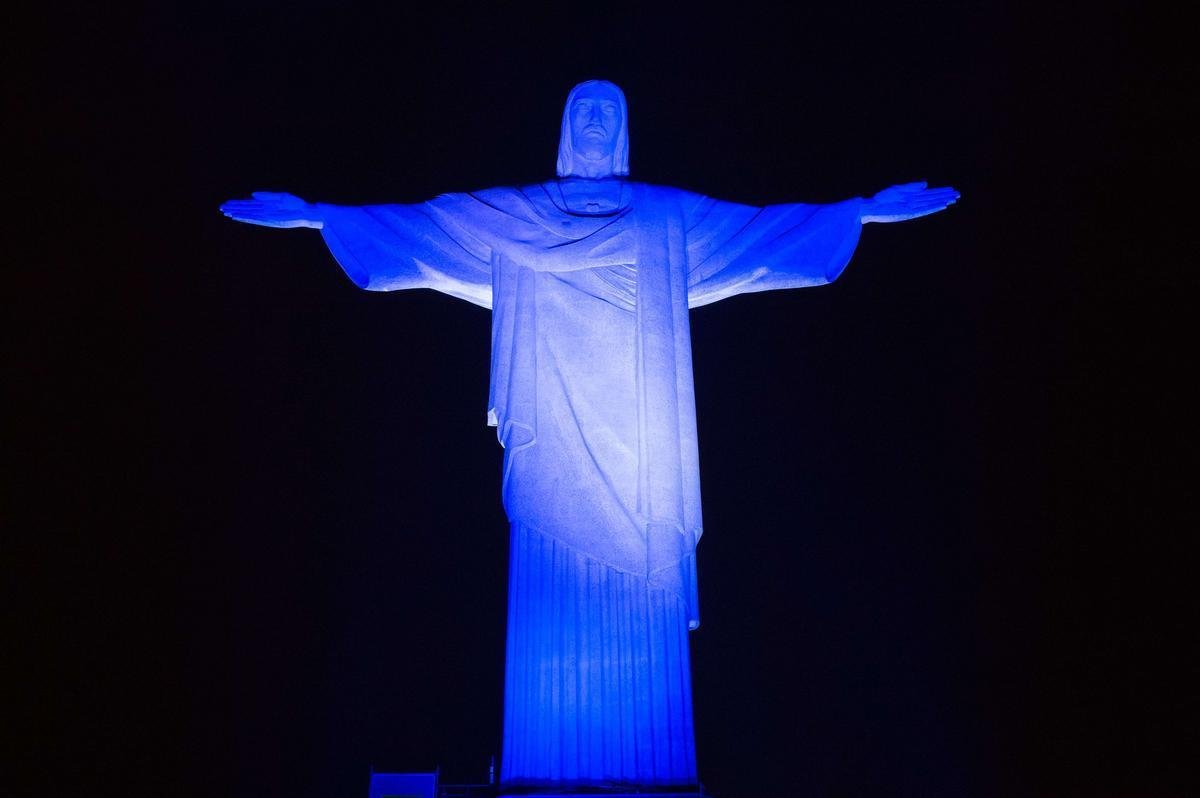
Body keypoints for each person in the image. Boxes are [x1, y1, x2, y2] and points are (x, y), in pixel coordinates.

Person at [221, 79, 958, 792]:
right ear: (567, 128)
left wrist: (858, 211)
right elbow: (426, 227)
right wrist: (324, 216)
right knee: (548, 606)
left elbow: (761, 231)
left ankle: (648, 770)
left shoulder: (667, 218)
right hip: (554, 451)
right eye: (586, 109)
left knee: (645, 634)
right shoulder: (518, 217)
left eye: (611, 109)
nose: (598, 121)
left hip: (644, 455)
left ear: (627, 128)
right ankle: (548, 769)